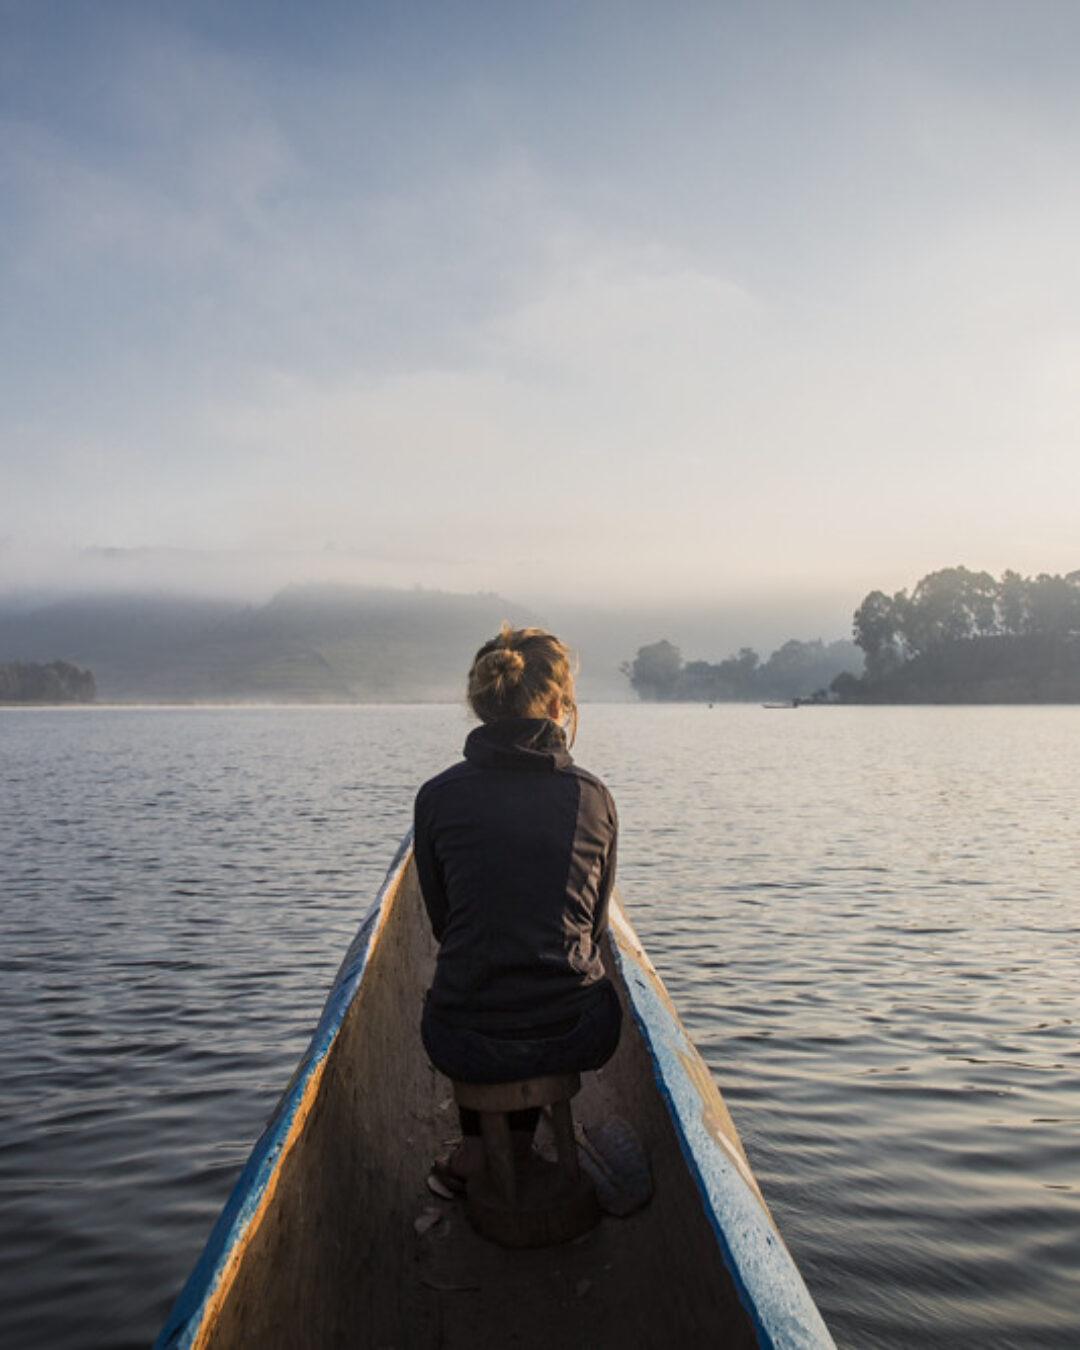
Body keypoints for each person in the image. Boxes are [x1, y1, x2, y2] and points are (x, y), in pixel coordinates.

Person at [413, 624, 622, 1191]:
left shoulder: (437, 798)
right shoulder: (593, 797)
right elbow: (595, 928)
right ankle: (519, 1146)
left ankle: (480, 1150)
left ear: (482, 703)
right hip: (579, 1029)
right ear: (558, 704)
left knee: (478, 991)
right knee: (545, 991)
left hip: (460, 1036)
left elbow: (442, 923)